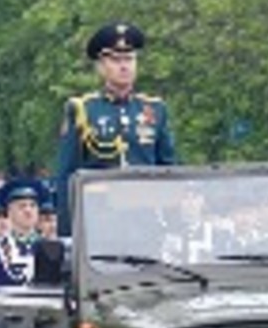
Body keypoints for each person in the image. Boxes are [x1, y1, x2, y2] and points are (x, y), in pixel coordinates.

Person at [54, 23, 176, 235]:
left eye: (129, 59)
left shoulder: (154, 109)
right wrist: (68, 236)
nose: (124, 66)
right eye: (116, 60)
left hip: (147, 224)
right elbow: (67, 177)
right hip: (100, 224)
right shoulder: (83, 109)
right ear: (101, 66)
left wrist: (175, 222)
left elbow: (169, 169)